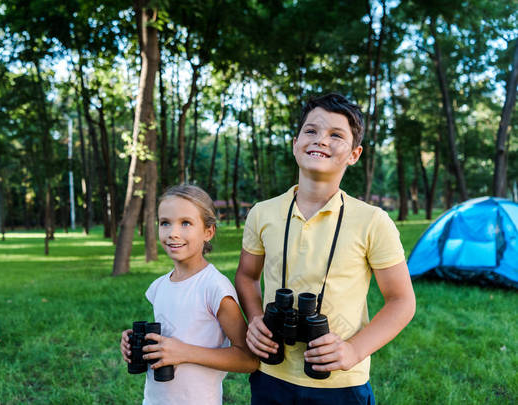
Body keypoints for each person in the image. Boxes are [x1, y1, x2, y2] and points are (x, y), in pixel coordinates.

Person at [235, 93, 416, 404]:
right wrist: (255, 320)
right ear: (295, 143)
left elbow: (401, 301)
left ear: (354, 154)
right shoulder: (262, 213)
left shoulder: (372, 221)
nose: (320, 140)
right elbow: (247, 276)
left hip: (340, 383)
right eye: (311, 131)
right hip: (271, 374)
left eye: (336, 135)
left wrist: (354, 350)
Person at [120, 184, 259, 405]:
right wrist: (137, 346)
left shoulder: (215, 288)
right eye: (165, 223)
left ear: (208, 232)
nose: (173, 232)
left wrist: (184, 352)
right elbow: (168, 340)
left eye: (186, 223)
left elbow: (248, 359)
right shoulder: (158, 286)